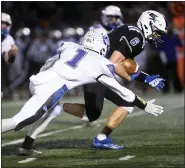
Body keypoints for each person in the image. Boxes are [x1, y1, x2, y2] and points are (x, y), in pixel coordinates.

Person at [18, 10, 167, 155]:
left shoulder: (131, 30)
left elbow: (123, 64)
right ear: (148, 25)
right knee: (125, 103)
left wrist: (145, 77)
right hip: (97, 72)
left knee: (94, 114)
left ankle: (55, 115)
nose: (157, 36)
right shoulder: (137, 37)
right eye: (157, 31)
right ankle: (98, 136)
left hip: (95, 70)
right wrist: (140, 77)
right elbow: (113, 64)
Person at [1, 12, 19, 98]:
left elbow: (7, 61)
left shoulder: (9, 39)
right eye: (1, 23)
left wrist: (12, 55)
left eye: (6, 24)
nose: (3, 26)